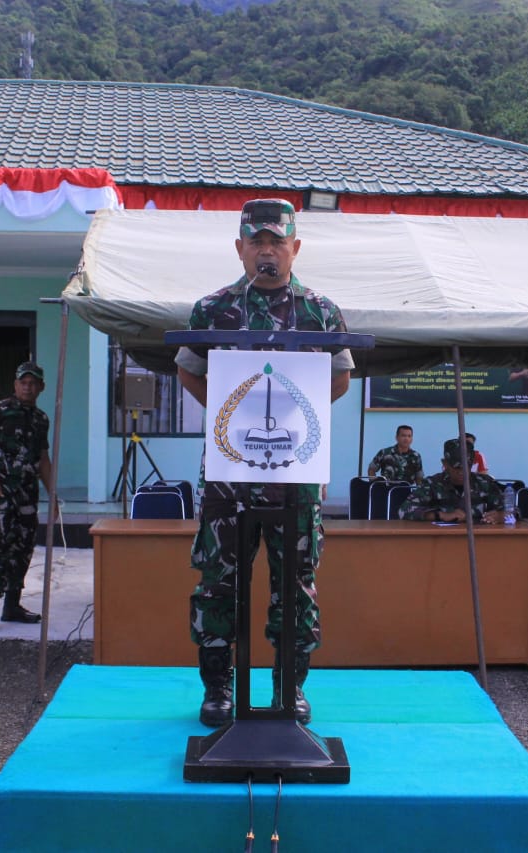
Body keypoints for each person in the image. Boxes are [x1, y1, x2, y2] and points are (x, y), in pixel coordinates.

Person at [175, 198, 353, 728]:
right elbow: (188, 370)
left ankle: (288, 688)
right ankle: (217, 691)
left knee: (294, 583)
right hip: (230, 478)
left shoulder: (320, 311)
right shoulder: (212, 310)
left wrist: (302, 420)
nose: (267, 250)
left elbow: (340, 376)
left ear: (295, 248)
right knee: (217, 583)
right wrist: (231, 421)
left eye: (277, 241)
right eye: (257, 241)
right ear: (240, 248)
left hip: (294, 476)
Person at [0, 361, 54, 632]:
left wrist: (53, 496)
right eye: (23, 382)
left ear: (41, 387)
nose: (27, 387)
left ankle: (12, 605)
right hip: (2, 492)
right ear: (15, 385)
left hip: (28, 495)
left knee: (23, 549)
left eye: (33, 383)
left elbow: (43, 459)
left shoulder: (41, 419)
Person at [399, 437, 509, 524]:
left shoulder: (485, 483)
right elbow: (404, 510)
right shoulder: (433, 483)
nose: (462, 472)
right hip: (441, 541)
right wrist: (440, 515)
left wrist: (501, 515)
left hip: (480, 541)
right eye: (457, 468)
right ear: (445, 464)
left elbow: (515, 511)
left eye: (467, 467)